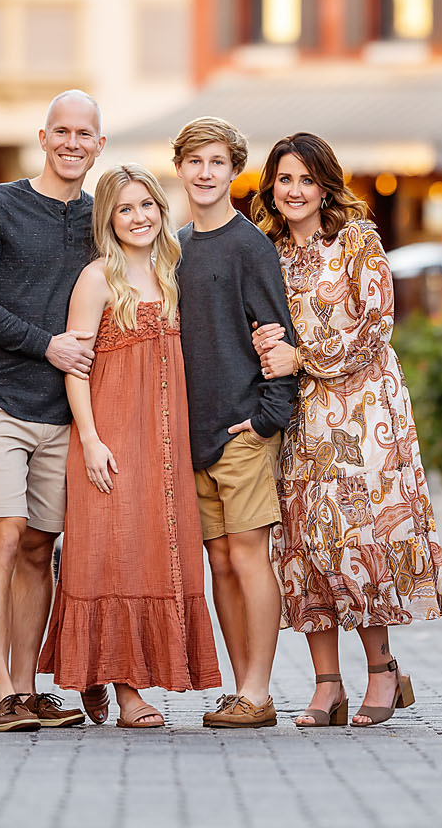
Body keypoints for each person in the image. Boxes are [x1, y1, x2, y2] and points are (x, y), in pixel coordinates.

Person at [250, 132, 442, 728]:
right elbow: (262, 329)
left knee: (360, 542)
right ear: (271, 186)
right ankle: (326, 686)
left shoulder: (358, 241)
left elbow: (376, 328)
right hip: (299, 416)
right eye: (284, 179)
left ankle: (384, 671)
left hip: (363, 409)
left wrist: (301, 356)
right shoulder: (269, 252)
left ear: (324, 186)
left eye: (305, 180)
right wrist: (266, 351)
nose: (294, 191)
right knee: (306, 546)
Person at [36, 165, 221, 727]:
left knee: (151, 554)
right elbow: (76, 364)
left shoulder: (171, 272)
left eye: (147, 206)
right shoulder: (97, 279)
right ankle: (127, 692)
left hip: (164, 442)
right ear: (109, 220)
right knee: (110, 555)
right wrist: (89, 440)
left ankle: (95, 676)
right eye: (125, 209)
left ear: (161, 212)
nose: (138, 217)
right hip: (111, 435)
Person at [0, 89, 103, 733]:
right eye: (61, 132)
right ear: (43, 138)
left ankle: (26, 686)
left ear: (99, 145)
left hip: (62, 413)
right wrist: (46, 344)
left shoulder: (102, 219)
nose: (72, 144)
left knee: (41, 548)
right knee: (4, 538)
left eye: (84, 135)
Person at [172, 116, 299, 729]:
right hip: (192, 435)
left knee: (250, 555)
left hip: (243, 431)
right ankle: (244, 689)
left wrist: (268, 419)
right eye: (195, 162)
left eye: (216, 163)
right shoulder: (175, 247)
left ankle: (259, 688)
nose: (204, 173)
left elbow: (279, 336)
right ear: (180, 168)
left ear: (233, 170)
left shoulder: (250, 246)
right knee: (218, 561)